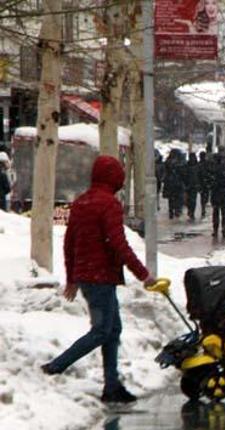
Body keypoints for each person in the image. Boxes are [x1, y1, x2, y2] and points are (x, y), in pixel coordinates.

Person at [41, 156, 155, 404]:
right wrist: (143, 274)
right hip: (101, 276)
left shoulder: (82, 202)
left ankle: (112, 386)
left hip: (88, 275)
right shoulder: (108, 204)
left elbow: (69, 242)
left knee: (113, 330)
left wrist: (73, 277)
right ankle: (56, 366)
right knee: (102, 330)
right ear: (114, 178)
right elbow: (118, 244)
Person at [210, 152, 225, 239]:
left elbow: (209, 181)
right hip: (224, 193)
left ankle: (215, 230)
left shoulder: (213, 169)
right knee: (224, 212)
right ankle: (224, 228)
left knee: (215, 212)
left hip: (215, 193)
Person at [163, 149, 187, 220]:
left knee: (172, 198)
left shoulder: (168, 162)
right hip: (177, 183)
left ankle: (172, 211)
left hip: (171, 183)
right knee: (177, 197)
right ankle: (176, 210)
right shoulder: (181, 162)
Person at [185, 152, 200, 221]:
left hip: (193, 185)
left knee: (192, 200)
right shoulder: (188, 165)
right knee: (190, 200)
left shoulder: (196, 165)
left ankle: (191, 212)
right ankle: (191, 211)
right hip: (190, 185)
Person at [197, 151, 212, 218]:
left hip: (203, 182)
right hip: (204, 182)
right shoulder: (206, 164)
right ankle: (203, 207)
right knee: (204, 195)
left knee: (203, 196)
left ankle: (203, 206)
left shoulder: (200, 164)